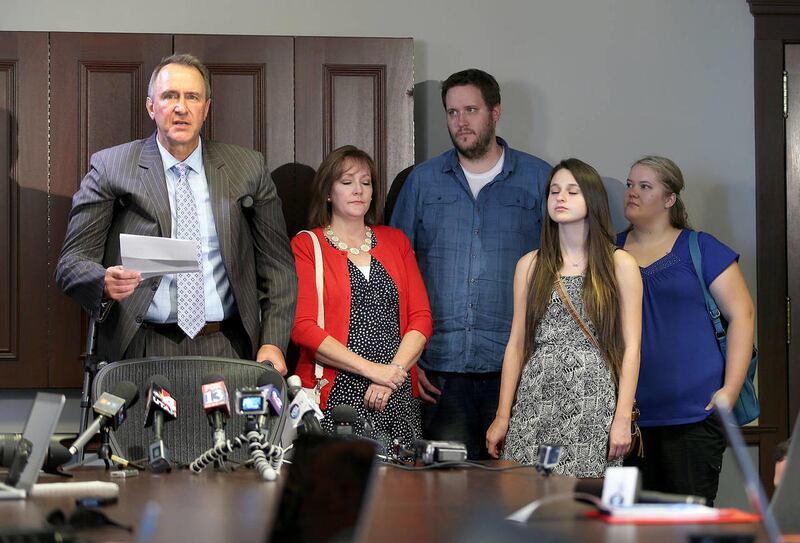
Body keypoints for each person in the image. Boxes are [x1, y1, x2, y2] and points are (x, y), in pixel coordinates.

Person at [55, 53, 297, 372]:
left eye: (192, 97)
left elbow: (278, 267)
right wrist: (102, 281)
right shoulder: (111, 167)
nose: (181, 107)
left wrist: (273, 342)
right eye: (169, 96)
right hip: (141, 346)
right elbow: (71, 264)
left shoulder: (248, 168)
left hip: (226, 346)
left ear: (206, 108)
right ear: (151, 107)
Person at [390, 69, 551, 459]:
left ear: (495, 112)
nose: (460, 122)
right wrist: (404, 361)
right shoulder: (422, 181)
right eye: (452, 112)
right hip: (439, 370)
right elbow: (394, 273)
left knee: (513, 485)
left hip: (515, 367)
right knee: (447, 486)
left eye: (471, 110)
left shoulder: (539, 179)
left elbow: (561, 271)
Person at [485, 159, 642, 477]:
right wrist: (502, 415)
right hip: (536, 391)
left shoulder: (619, 264)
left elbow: (632, 347)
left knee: (583, 497)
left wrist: (623, 416)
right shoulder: (530, 265)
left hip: (591, 395)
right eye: (555, 191)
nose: (560, 197)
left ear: (592, 199)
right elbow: (517, 344)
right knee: (525, 490)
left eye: (572, 191)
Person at [618, 155, 755, 504]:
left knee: (688, 523)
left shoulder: (700, 248)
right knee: (628, 526)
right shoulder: (609, 252)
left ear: (669, 199)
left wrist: (730, 390)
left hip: (694, 416)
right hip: (626, 421)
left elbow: (743, 315)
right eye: (630, 184)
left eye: (644, 186)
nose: (632, 192)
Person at [291, 145, 432, 451]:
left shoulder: (395, 240)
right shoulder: (308, 245)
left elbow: (421, 319)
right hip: (337, 394)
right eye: (347, 182)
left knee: (401, 480)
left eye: (365, 182)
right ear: (328, 193)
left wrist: (391, 374)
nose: (358, 190)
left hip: (394, 393)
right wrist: (373, 370)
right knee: (338, 480)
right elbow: (303, 328)